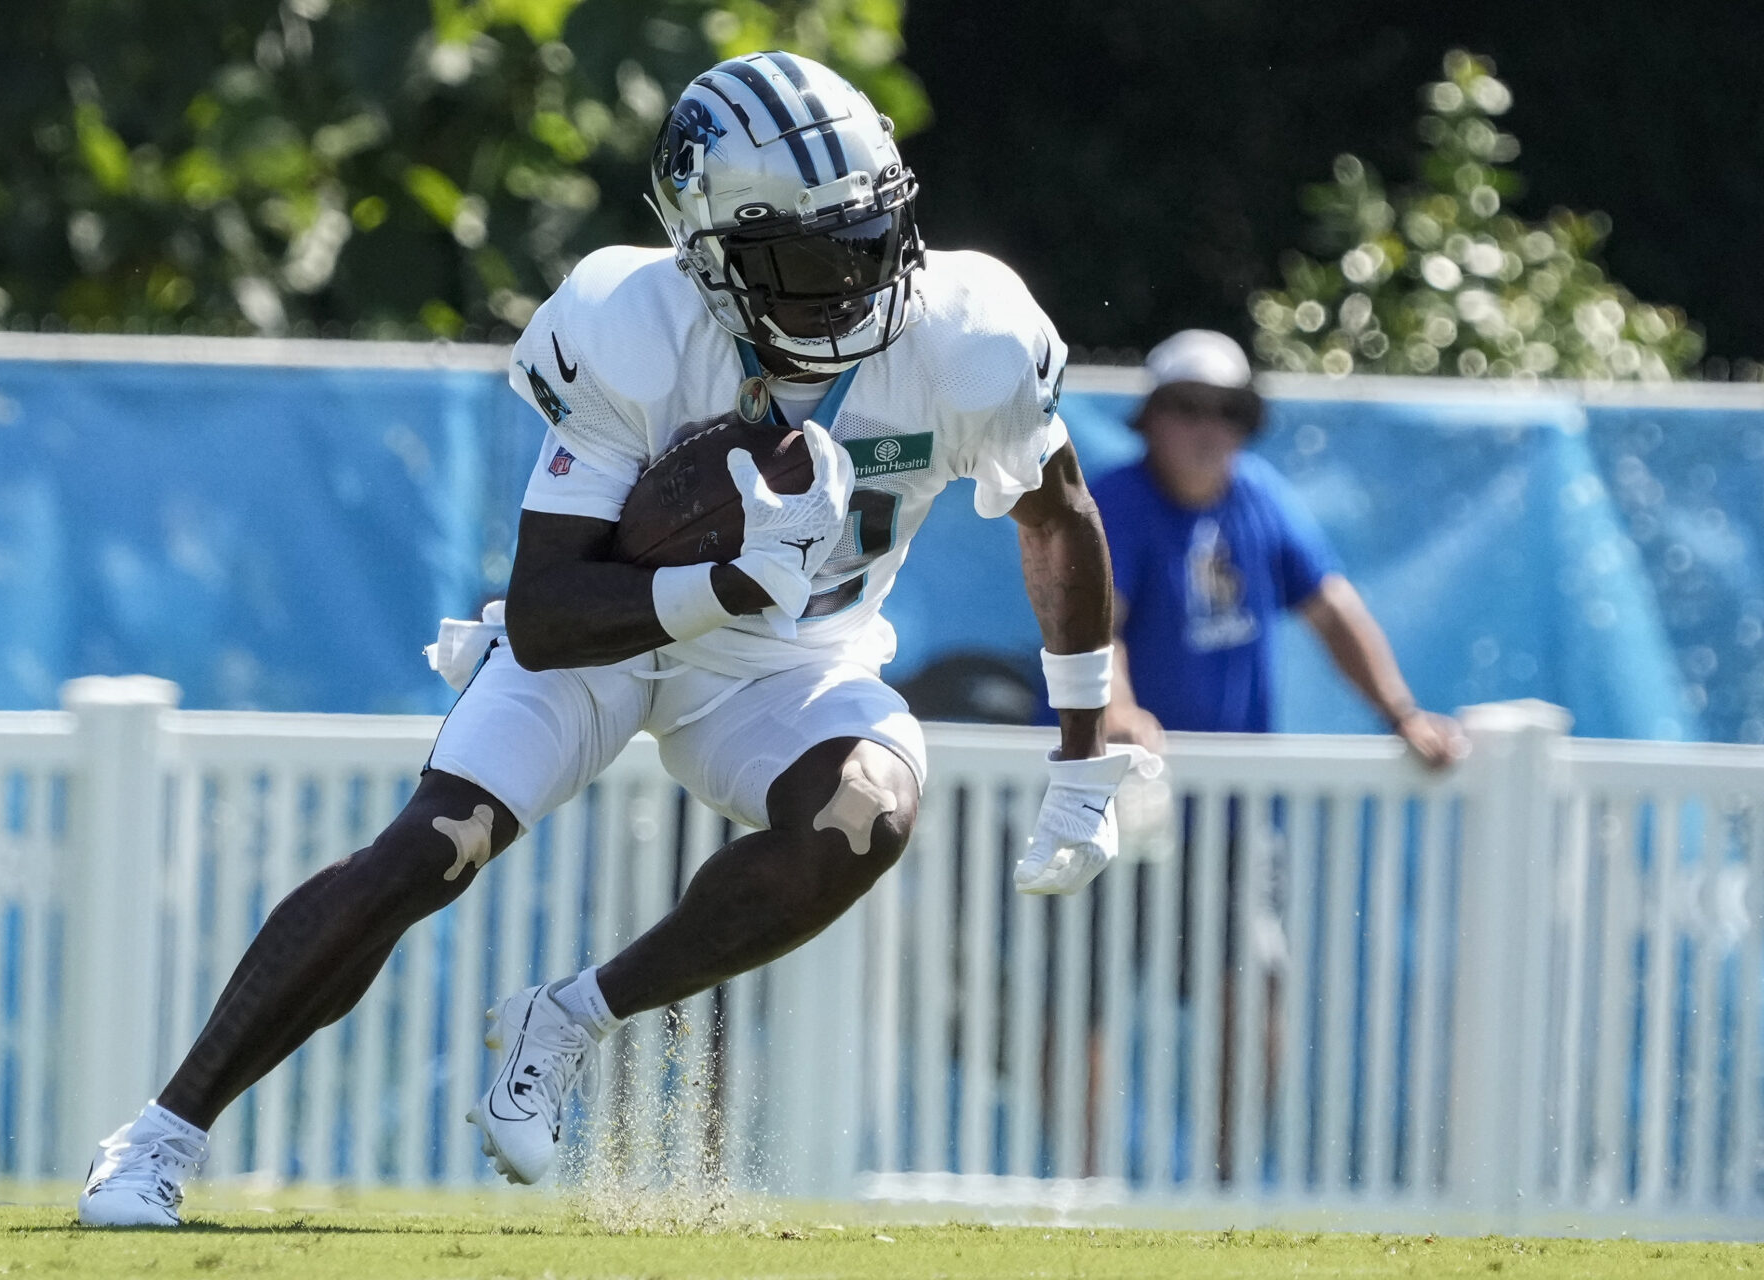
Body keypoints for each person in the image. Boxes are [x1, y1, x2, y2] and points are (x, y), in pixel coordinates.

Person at [75, 51, 1147, 1227]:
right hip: (614, 639)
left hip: (795, 664)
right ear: (711, 255)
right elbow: (545, 607)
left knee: (867, 814)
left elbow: (1057, 516)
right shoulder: (634, 321)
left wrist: (1082, 752)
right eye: (805, 256)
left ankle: (571, 1015)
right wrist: (727, 579)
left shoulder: (972, 332)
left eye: (869, 239)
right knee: (436, 843)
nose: (850, 283)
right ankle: (157, 1137)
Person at [1091, 329, 1463, 763]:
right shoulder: (1113, 505)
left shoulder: (1260, 495)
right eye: (1188, 407)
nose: (1209, 429)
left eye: (1229, 411)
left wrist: (1403, 716)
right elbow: (1097, 631)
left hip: (1236, 793)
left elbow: (1332, 610)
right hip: (1122, 782)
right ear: (1150, 417)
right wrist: (1115, 711)